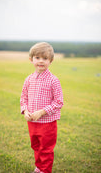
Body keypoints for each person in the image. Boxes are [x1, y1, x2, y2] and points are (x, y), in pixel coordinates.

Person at [20, 42, 63, 173]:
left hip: (47, 123)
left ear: (51, 61)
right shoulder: (29, 79)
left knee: (46, 148)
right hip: (32, 122)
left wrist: (43, 112)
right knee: (36, 146)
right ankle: (39, 167)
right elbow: (23, 97)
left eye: (45, 58)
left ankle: (45, 170)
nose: (41, 61)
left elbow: (59, 102)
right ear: (31, 59)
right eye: (37, 58)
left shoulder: (53, 80)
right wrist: (25, 110)